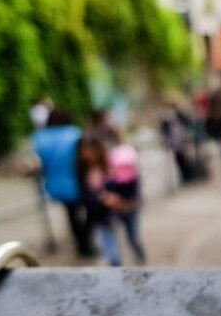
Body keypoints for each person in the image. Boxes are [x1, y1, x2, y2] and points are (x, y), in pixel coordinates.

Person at [32, 109, 94, 257]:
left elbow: (39, 164)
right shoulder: (74, 133)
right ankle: (85, 245)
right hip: (78, 181)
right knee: (89, 211)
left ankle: (81, 245)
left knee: (71, 215)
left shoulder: (39, 137)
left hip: (55, 185)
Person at [78, 136, 120, 266]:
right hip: (95, 213)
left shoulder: (105, 168)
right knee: (103, 243)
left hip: (106, 213)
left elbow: (113, 187)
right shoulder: (83, 171)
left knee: (110, 244)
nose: (86, 153)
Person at [106, 145, 146, 264]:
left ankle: (139, 253)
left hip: (129, 211)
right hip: (119, 211)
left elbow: (136, 200)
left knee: (132, 237)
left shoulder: (133, 180)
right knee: (118, 237)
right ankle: (117, 260)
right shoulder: (112, 181)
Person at [160, 101, 194, 184]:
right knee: (179, 159)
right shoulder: (166, 117)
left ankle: (187, 176)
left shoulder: (179, 114)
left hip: (181, 140)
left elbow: (188, 121)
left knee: (184, 159)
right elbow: (164, 130)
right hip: (175, 141)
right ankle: (184, 176)